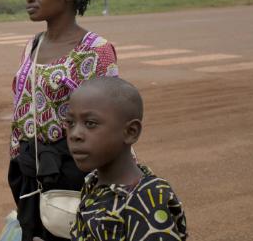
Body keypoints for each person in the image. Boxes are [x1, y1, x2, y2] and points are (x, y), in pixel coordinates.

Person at [8, 0, 116, 240]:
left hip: (75, 177)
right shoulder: (32, 46)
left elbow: (109, 122)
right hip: (31, 175)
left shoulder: (95, 50)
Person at [64, 77, 188, 241]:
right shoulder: (93, 182)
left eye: (90, 123)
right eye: (70, 123)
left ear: (131, 132)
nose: (75, 135)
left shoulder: (146, 199)